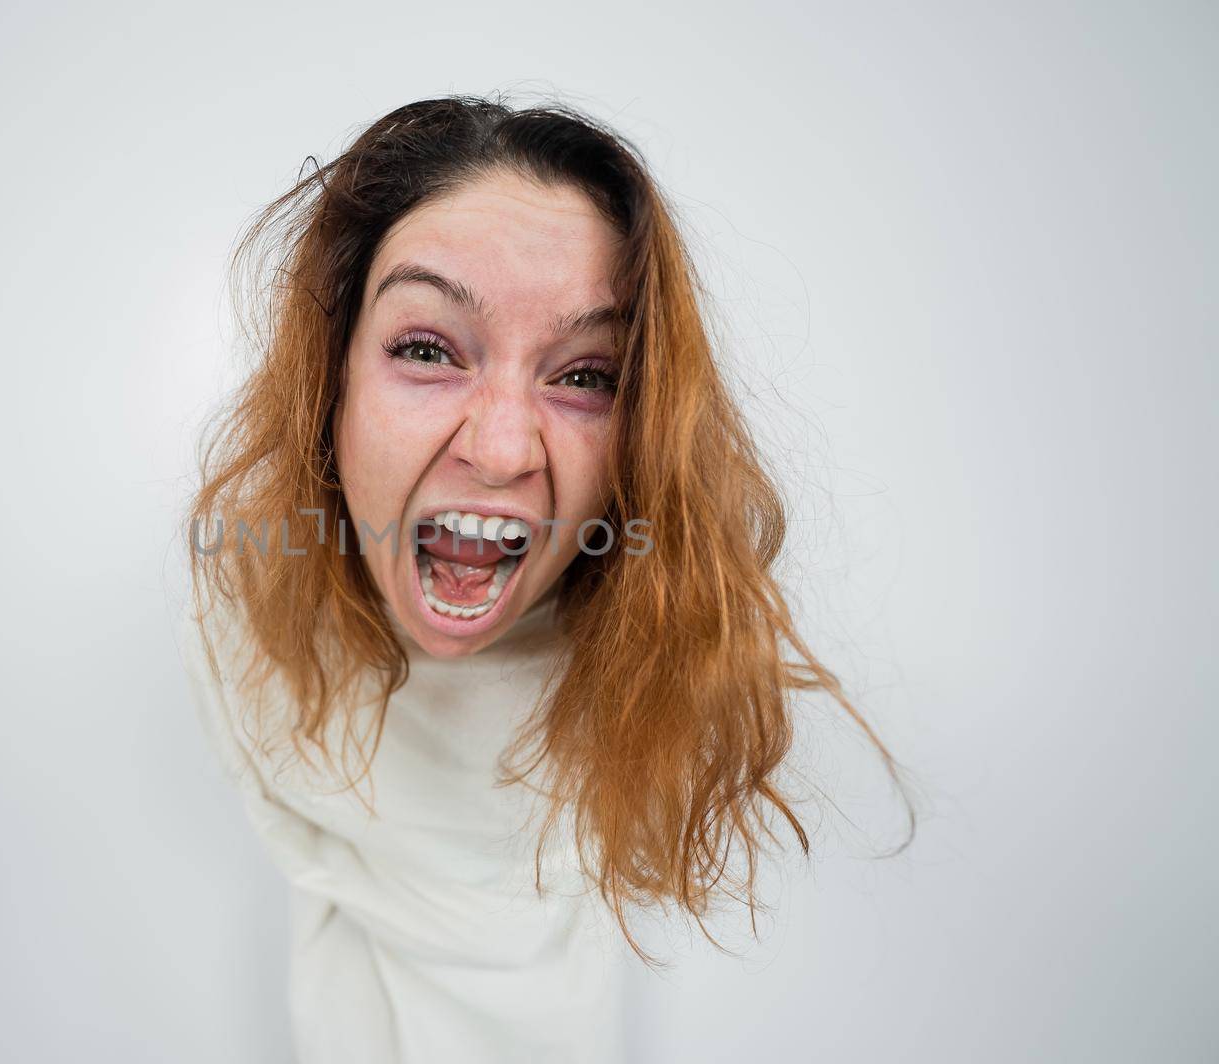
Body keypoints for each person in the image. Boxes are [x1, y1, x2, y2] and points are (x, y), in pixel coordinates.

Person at [177, 93, 914, 1063]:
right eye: (428, 348)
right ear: (333, 377)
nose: (499, 449)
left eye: (583, 375)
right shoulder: (242, 610)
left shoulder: (666, 685)